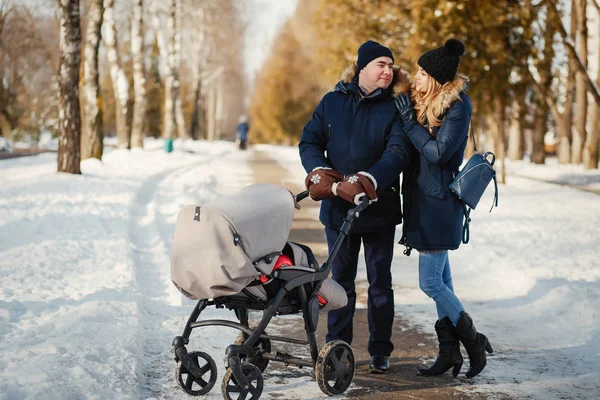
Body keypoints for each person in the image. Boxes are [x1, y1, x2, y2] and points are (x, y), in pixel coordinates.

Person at [299, 40, 411, 374]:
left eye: (391, 66)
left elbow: (398, 152)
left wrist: (368, 179)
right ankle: (338, 348)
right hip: (337, 211)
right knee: (340, 283)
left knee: (380, 283)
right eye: (381, 65)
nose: (387, 72)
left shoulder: (395, 107)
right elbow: (310, 141)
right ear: (362, 68)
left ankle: (380, 350)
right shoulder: (332, 103)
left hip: (379, 211)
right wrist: (319, 171)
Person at [394, 38, 493, 378]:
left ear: (435, 78)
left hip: (439, 204)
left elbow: (439, 153)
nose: (417, 78)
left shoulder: (457, 106)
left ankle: (473, 340)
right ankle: (449, 352)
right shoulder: (427, 104)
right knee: (443, 283)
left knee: (431, 284)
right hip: (424, 201)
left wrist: (410, 126)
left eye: (422, 72)